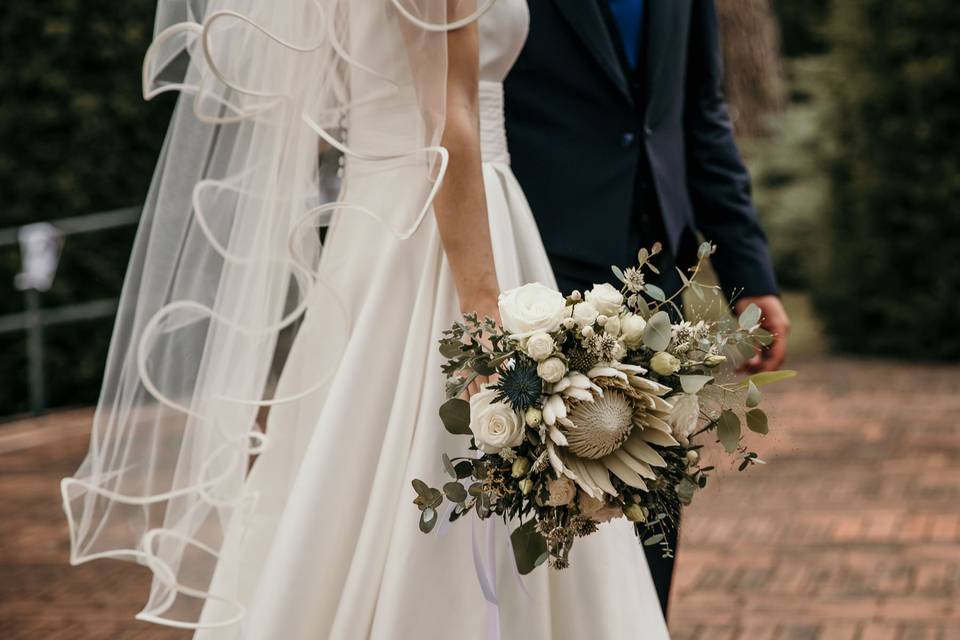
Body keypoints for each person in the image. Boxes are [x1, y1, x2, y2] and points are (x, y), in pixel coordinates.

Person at [62, 1, 671, 638]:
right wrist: (485, 310)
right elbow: (447, 124)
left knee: (354, 461)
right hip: (441, 225)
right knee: (436, 449)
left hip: (388, 217)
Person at [504, 0, 791, 614]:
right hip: (539, 268)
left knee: (651, 494)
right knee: (545, 504)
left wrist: (750, 270)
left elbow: (700, 112)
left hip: (663, 275)